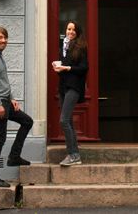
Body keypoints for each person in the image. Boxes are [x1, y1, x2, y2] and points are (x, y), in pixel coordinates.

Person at [0, 26, 33, 188]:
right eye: (0, 38)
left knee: (27, 121)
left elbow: (2, 81)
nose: (3, 40)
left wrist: (12, 99)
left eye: (5, 37)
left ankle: (14, 156)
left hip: (5, 101)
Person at [52, 20, 88, 167]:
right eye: (68, 29)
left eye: (73, 30)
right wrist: (58, 67)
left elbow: (84, 68)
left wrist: (67, 68)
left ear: (77, 32)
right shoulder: (64, 47)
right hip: (63, 88)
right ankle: (75, 155)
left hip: (74, 87)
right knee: (69, 122)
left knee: (64, 120)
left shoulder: (81, 47)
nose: (70, 32)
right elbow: (64, 67)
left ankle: (73, 154)